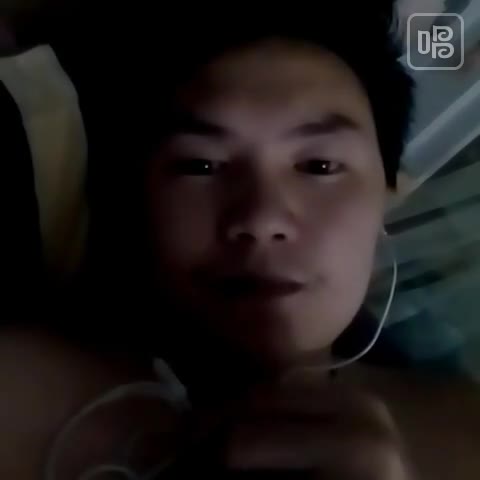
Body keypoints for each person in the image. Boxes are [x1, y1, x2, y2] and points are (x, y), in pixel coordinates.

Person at [1, 3, 480, 480]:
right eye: (201, 166)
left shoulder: (461, 432)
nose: (261, 218)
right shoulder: (22, 398)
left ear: (385, 198)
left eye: (319, 167)